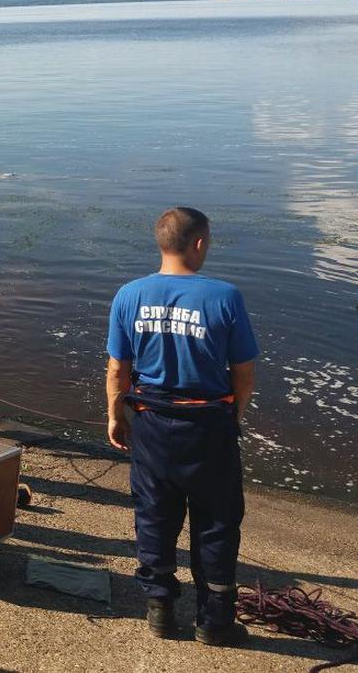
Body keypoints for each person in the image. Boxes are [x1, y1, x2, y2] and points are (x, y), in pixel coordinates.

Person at [105, 207, 258, 647]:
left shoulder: (129, 295)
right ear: (199, 244)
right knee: (216, 521)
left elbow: (118, 369)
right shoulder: (225, 297)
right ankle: (214, 621)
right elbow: (242, 371)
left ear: (161, 243)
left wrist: (116, 416)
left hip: (152, 423)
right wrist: (235, 415)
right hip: (209, 424)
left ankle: (160, 611)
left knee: (154, 514)